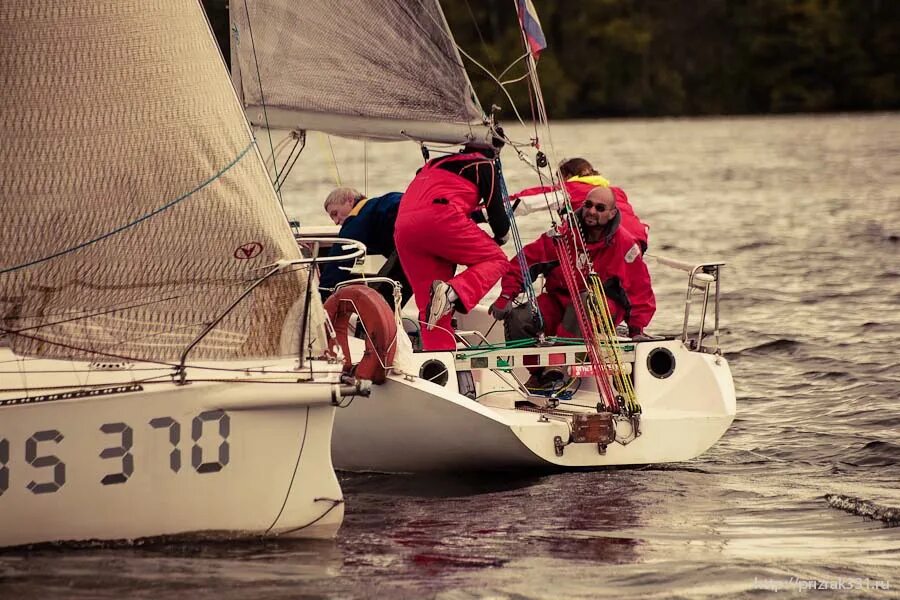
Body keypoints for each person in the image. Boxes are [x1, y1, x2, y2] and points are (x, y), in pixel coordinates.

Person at [491, 185, 655, 350]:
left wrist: (636, 330)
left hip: (601, 308)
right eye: (588, 205)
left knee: (585, 303)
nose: (591, 211)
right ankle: (540, 373)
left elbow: (639, 291)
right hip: (560, 301)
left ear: (612, 214)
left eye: (600, 208)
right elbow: (524, 261)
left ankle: (558, 368)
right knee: (519, 319)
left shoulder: (625, 246)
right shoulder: (562, 235)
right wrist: (506, 295)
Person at [394, 143, 510, 351]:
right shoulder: (484, 163)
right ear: (494, 149)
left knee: (430, 312)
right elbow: (498, 218)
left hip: (403, 227)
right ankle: (451, 292)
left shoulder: (433, 164)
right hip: (439, 218)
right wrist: (501, 236)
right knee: (497, 260)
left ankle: (439, 370)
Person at [511, 157, 650, 252]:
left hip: (608, 243)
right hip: (638, 241)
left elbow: (525, 201)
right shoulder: (616, 191)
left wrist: (492, 211)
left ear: (567, 176)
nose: (558, 183)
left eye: (559, 178)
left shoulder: (570, 188)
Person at [319, 187, 411, 310]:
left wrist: (322, 294)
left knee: (375, 305)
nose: (336, 221)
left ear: (350, 201)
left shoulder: (358, 215)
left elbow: (340, 258)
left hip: (411, 239)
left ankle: (365, 329)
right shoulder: (379, 208)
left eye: (335, 213)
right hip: (432, 228)